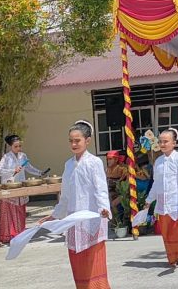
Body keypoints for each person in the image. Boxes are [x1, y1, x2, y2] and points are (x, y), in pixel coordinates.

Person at [38, 120, 111, 288]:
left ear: (88, 140)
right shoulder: (68, 164)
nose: (73, 144)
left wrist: (104, 208)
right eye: (71, 140)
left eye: (77, 140)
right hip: (73, 222)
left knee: (94, 265)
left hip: (91, 221)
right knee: (78, 265)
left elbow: (101, 189)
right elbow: (65, 196)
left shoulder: (94, 162)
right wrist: (54, 215)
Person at [144, 128, 178, 266]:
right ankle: (173, 257)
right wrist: (149, 201)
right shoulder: (158, 161)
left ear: (174, 143)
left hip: (177, 202)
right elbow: (156, 184)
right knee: (166, 232)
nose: (162, 144)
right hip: (162, 204)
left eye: (166, 141)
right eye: (160, 141)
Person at [0, 134, 46, 244]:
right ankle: (9, 236)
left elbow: (28, 167)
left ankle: (20, 235)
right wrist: (12, 170)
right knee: (8, 213)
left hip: (21, 186)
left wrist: (39, 172)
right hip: (10, 187)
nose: (18, 149)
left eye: (19, 146)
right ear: (10, 146)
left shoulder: (23, 156)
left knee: (21, 212)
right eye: (16, 146)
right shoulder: (6, 157)